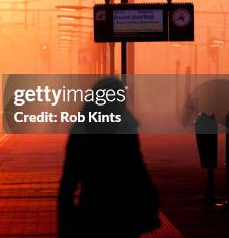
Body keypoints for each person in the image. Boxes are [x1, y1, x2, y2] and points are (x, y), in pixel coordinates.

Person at [58, 77, 160, 238]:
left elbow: (68, 183)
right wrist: (150, 198)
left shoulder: (82, 130)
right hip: (124, 213)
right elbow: (137, 169)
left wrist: (64, 227)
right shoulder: (126, 128)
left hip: (92, 211)